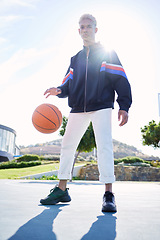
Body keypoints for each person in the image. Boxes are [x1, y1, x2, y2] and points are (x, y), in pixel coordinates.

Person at [40, 14, 132, 212]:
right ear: (78, 31)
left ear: (96, 29)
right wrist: (59, 90)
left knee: (104, 146)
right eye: (82, 27)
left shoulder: (108, 53)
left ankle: (108, 194)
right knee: (67, 146)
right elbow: (67, 83)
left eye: (89, 26)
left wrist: (124, 106)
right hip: (78, 108)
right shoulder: (75, 59)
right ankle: (61, 189)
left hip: (101, 106)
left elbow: (121, 80)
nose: (85, 30)